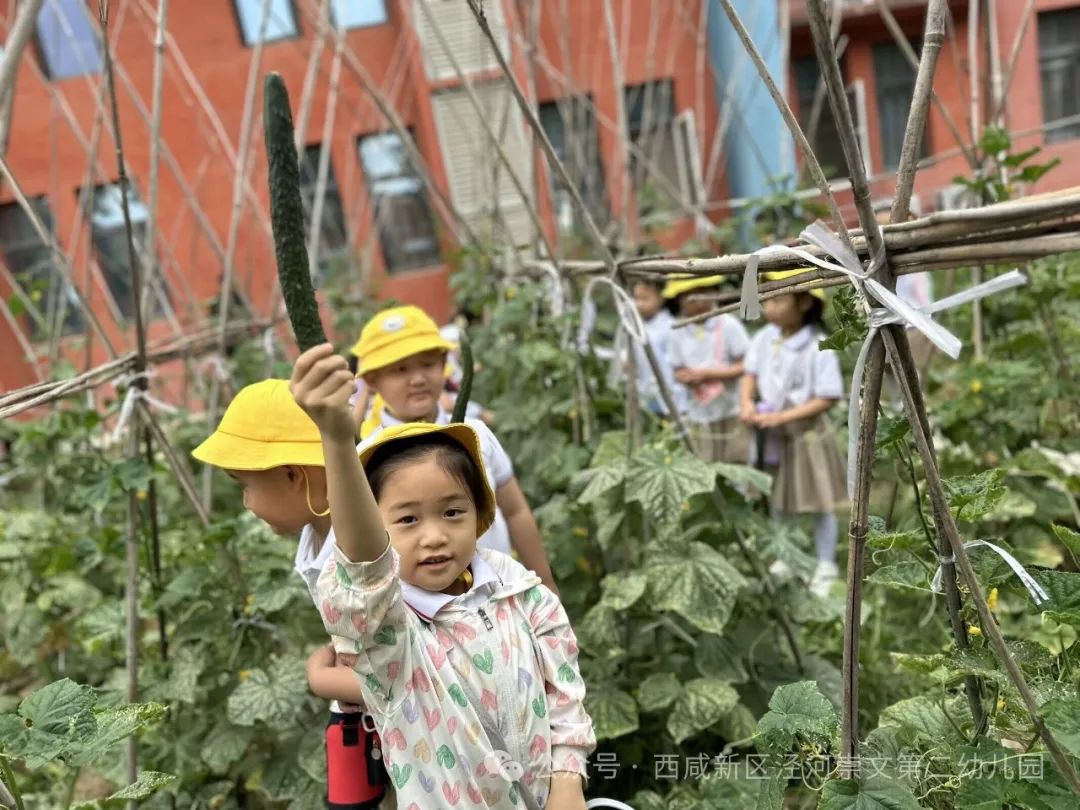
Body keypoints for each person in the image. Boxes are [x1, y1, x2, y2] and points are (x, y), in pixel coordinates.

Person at [290, 342, 595, 810]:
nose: (434, 536)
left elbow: (564, 688)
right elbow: (364, 576)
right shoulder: (392, 632)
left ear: (479, 514)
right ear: (377, 527)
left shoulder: (518, 588)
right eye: (408, 520)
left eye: (453, 512)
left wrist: (568, 780)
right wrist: (335, 439)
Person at [191, 380, 389, 809]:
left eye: (244, 485)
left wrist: (323, 678)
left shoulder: (366, 548)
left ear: (293, 475)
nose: (245, 503)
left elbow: (411, 673)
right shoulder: (316, 539)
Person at [351, 305, 558, 593]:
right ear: (372, 380)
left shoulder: (476, 433)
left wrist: (547, 585)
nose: (418, 379)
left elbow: (515, 511)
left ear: (443, 363)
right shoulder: (366, 453)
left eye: (428, 364)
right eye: (400, 369)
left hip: (503, 593)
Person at [739, 271, 847, 597]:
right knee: (777, 497)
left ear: (803, 302)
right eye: (765, 299)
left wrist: (784, 416)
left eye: (777, 299)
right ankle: (786, 556)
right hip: (772, 434)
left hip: (806, 435)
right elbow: (750, 373)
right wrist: (746, 403)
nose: (769, 308)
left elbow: (828, 396)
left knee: (818, 500)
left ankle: (825, 564)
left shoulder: (818, 345)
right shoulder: (763, 339)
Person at [664, 275, 752, 464]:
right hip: (697, 411)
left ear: (714, 293)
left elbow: (747, 364)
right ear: (679, 300)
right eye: (689, 295)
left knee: (734, 459)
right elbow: (676, 368)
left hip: (730, 407)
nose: (696, 300)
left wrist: (709, 374)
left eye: (703, 292)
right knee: (703, 460)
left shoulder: (728, 325)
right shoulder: (676, 331)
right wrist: (685, 377)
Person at [619, 278, 683, 417]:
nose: (639, 304)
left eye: (645, 298)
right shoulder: (633, 326)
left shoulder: (670, 326)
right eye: (637, 298)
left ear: (660, 298)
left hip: (671, 391)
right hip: (646, 391)